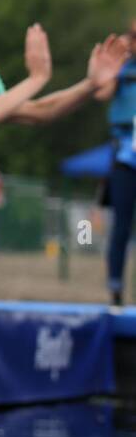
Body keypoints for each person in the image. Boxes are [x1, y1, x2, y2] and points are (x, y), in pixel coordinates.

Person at [97, 18, 136, 304]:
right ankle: (115, 290)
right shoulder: (123, 69)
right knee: (121, 225)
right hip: (125, 154)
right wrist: (114, 70)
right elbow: (101, 94)